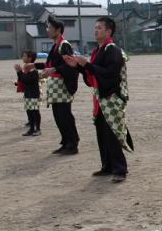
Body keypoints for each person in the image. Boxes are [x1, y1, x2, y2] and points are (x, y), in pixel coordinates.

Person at [65, 17, 133, 183]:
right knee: (102, 133)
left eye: (100, 28)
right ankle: (108, 166)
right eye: (95, 28)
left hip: (112, 98)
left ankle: (120, 169)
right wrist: (80, 67)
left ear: (109, 31)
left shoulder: (113, 50)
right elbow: (93, 77)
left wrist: (86, 65)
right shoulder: (99, 50)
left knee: (112, 133)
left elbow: (110, 75)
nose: (96, 31)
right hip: (101, 98)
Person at [26, 15, 80, 155]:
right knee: (58, 115)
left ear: (58, 30)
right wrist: (34, 65)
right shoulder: (57, 45)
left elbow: (69, 66)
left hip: (62, 86)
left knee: (64, 115)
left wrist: (54, 70)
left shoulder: (64, 45)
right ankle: (66, 142)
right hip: (55, 86)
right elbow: (51, 65)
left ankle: (73, 143)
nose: (47, 30)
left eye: (50, 27)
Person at [15, 50, 42, 136]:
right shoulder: (26, 68)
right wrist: (20, 73)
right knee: (29, 111)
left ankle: (37, 129)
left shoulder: (33, 70)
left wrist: (19, 72)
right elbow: (23, 80)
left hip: (34, 93)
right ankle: (31, 129)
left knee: (35, 111)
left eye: (24, 56)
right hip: (28, 93)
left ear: (30, 58)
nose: (23, 58)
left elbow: (27, 80)